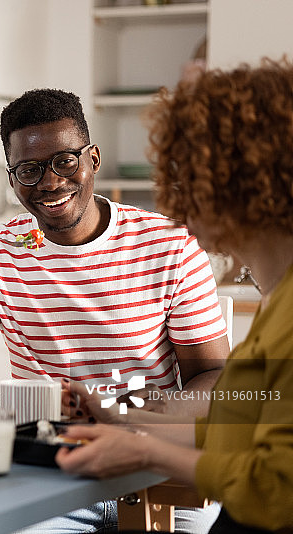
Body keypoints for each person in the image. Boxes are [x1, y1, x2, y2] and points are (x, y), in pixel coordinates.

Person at [0, 88, 230, 532]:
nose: (49, 182)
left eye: (65, 160)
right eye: (29, 170)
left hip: (157, 471)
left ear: (94, 159)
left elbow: (214, 378)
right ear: (12, 180)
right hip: (49, 478)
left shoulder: (169, 245)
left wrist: (133, 414)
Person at [56, 58, 293, 533]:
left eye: (188, 181)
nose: (176, 204)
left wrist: (143, 450)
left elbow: (276, 490)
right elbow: (234, 428)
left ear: (236, 182)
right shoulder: (278, 300)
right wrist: (123, 417)